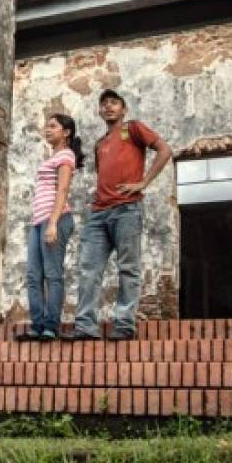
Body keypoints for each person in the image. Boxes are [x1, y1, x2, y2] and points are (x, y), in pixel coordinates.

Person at [64, 89, 172, 341]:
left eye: (114, 103)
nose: (108, 107)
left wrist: (143, 182)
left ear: (123, 109)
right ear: (100, 111)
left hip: (127, 209)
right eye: (104, 104)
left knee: (128, 268)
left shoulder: (133, 129)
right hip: (99, 213)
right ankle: (85, 327)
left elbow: (164, 150)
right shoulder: (99, 143)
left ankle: (124, 325)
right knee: (89, 269)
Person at [16, 114, 85, 342]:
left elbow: (63, 190)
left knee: (53, 274)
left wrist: (53, 222)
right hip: (38, 222)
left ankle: (50, 326)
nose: (47, 130)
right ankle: (37, 325)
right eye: (47, 126)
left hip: (56, 219)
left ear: (66, 132)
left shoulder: (66, 155)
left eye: (53, 126)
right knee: (34, 275)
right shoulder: (51, 157)